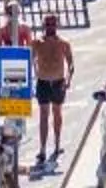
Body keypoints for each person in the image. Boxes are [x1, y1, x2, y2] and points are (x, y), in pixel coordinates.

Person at [31, 16, 76, 172]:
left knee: (57, 113)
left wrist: (68, 80)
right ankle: (42, 149)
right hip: (43, 82)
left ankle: (57, 144)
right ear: (43, 25)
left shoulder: (63, 44)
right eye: (48, 24)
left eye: (53, 24)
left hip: (58, 82)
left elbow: (71, 64)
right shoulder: (37, 43)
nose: (50, 27)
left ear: (57, 25)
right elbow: (30, 60)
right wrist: (33, 74)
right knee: (43, 115)